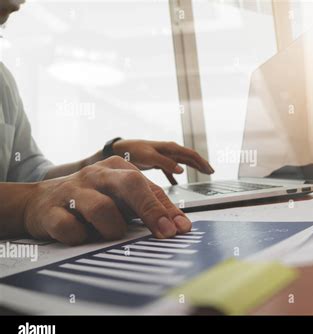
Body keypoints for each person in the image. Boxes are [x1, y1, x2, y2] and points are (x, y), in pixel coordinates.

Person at [0, 0, 214, 245]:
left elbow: (33, 178)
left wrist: (107, 156)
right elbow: (33, 195)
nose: (18, 5)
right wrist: (27, 204)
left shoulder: (3, 81)